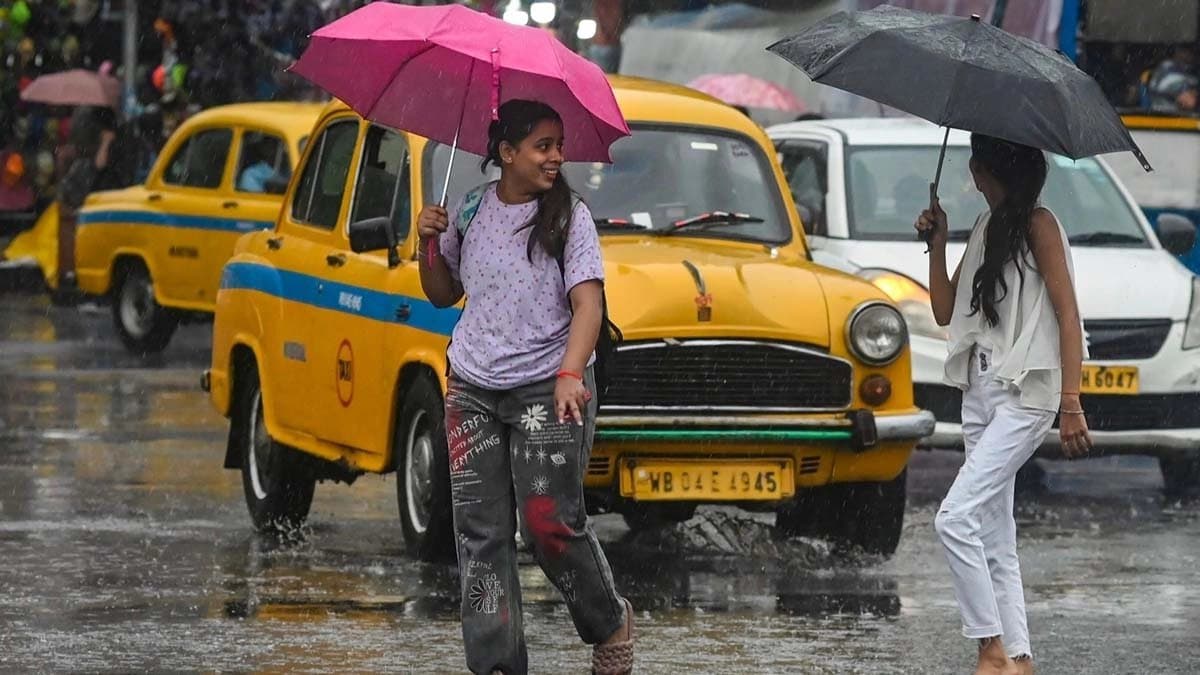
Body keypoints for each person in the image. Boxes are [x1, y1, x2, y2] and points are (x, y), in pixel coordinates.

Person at [415, 99, 634, 675]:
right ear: (506, 153)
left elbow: (589, 306)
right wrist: (426, 243)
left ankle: (608, 621)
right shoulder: (468, 211)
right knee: (481, 538)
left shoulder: (570, 217)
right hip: (471, 388)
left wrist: (569, 373)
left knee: (548, 525)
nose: (556, 156)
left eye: (558, 145)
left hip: (545, 389)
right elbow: (441, 294)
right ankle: (496, 666)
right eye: (543, 146)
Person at [916, 134, 1091, 675]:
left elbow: (1068, 316)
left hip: (1026, 395)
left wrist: (1071, 401)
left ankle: (990, 649)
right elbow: (946, 312)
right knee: (995, 537)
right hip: (980, 391)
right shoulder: (989, 228)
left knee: (954, 519)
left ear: (987, 169)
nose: (972, 174)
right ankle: (1019, 658)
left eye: (976, 164)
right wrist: (940, 244)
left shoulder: (1040, 226)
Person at [1147, 44, 1199, 112]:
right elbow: (1189, 101)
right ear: (1177, 52)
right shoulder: (1166, 69)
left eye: (1192, 52)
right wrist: (1185, 92)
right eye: (1185, 50)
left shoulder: (1190, 70)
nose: (1190, 54)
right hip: (1165, 117)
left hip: (1185, 117)